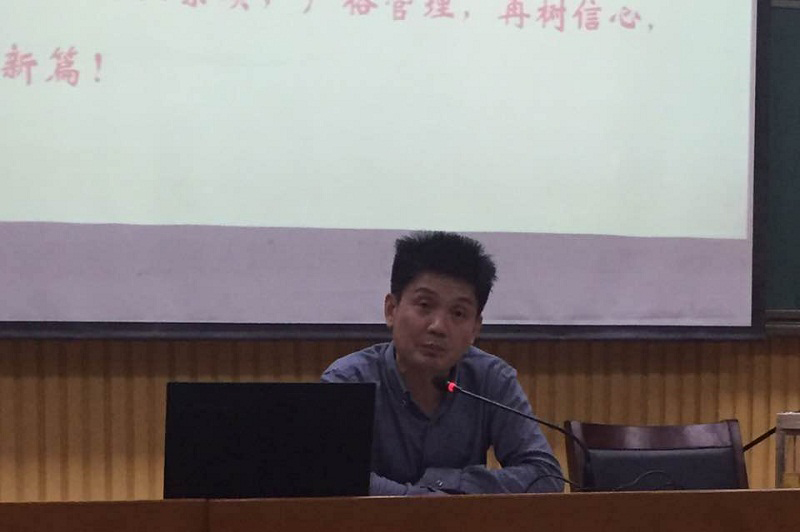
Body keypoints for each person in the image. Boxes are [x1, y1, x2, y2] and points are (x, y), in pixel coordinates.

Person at [321, 231, 564, 495]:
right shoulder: (348, 380)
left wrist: (443, 483)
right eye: (425, 305)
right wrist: (428, 501)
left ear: (475, 328)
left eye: (458, 313)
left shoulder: (491, 379)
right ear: (391, 310)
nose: (438, 326)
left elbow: (545, 477)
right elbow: (331, 476)